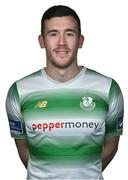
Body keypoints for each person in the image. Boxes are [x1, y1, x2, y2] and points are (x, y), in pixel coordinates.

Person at [6, 5, 124, 180]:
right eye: (53, 34)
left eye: (69, 34)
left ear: (80, 40)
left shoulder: (108, 89)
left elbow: (111, 145)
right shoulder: (18, 92)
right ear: (41, 41)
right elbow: (23, 149)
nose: (61, 42)